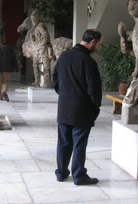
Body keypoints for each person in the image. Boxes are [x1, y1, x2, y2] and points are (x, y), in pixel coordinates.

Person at [52, 29, 103, 185]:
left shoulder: (64, 56)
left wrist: (65, 94)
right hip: (82, 109)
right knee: (79, 143)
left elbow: (55, 79)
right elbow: (93, 89)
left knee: (63, 142)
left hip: (64, 108)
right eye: (99, 44)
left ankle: (61, 173)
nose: (99, 48)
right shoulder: (88, 62)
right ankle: (79, 176)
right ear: (92, 42)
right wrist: (96, 107)